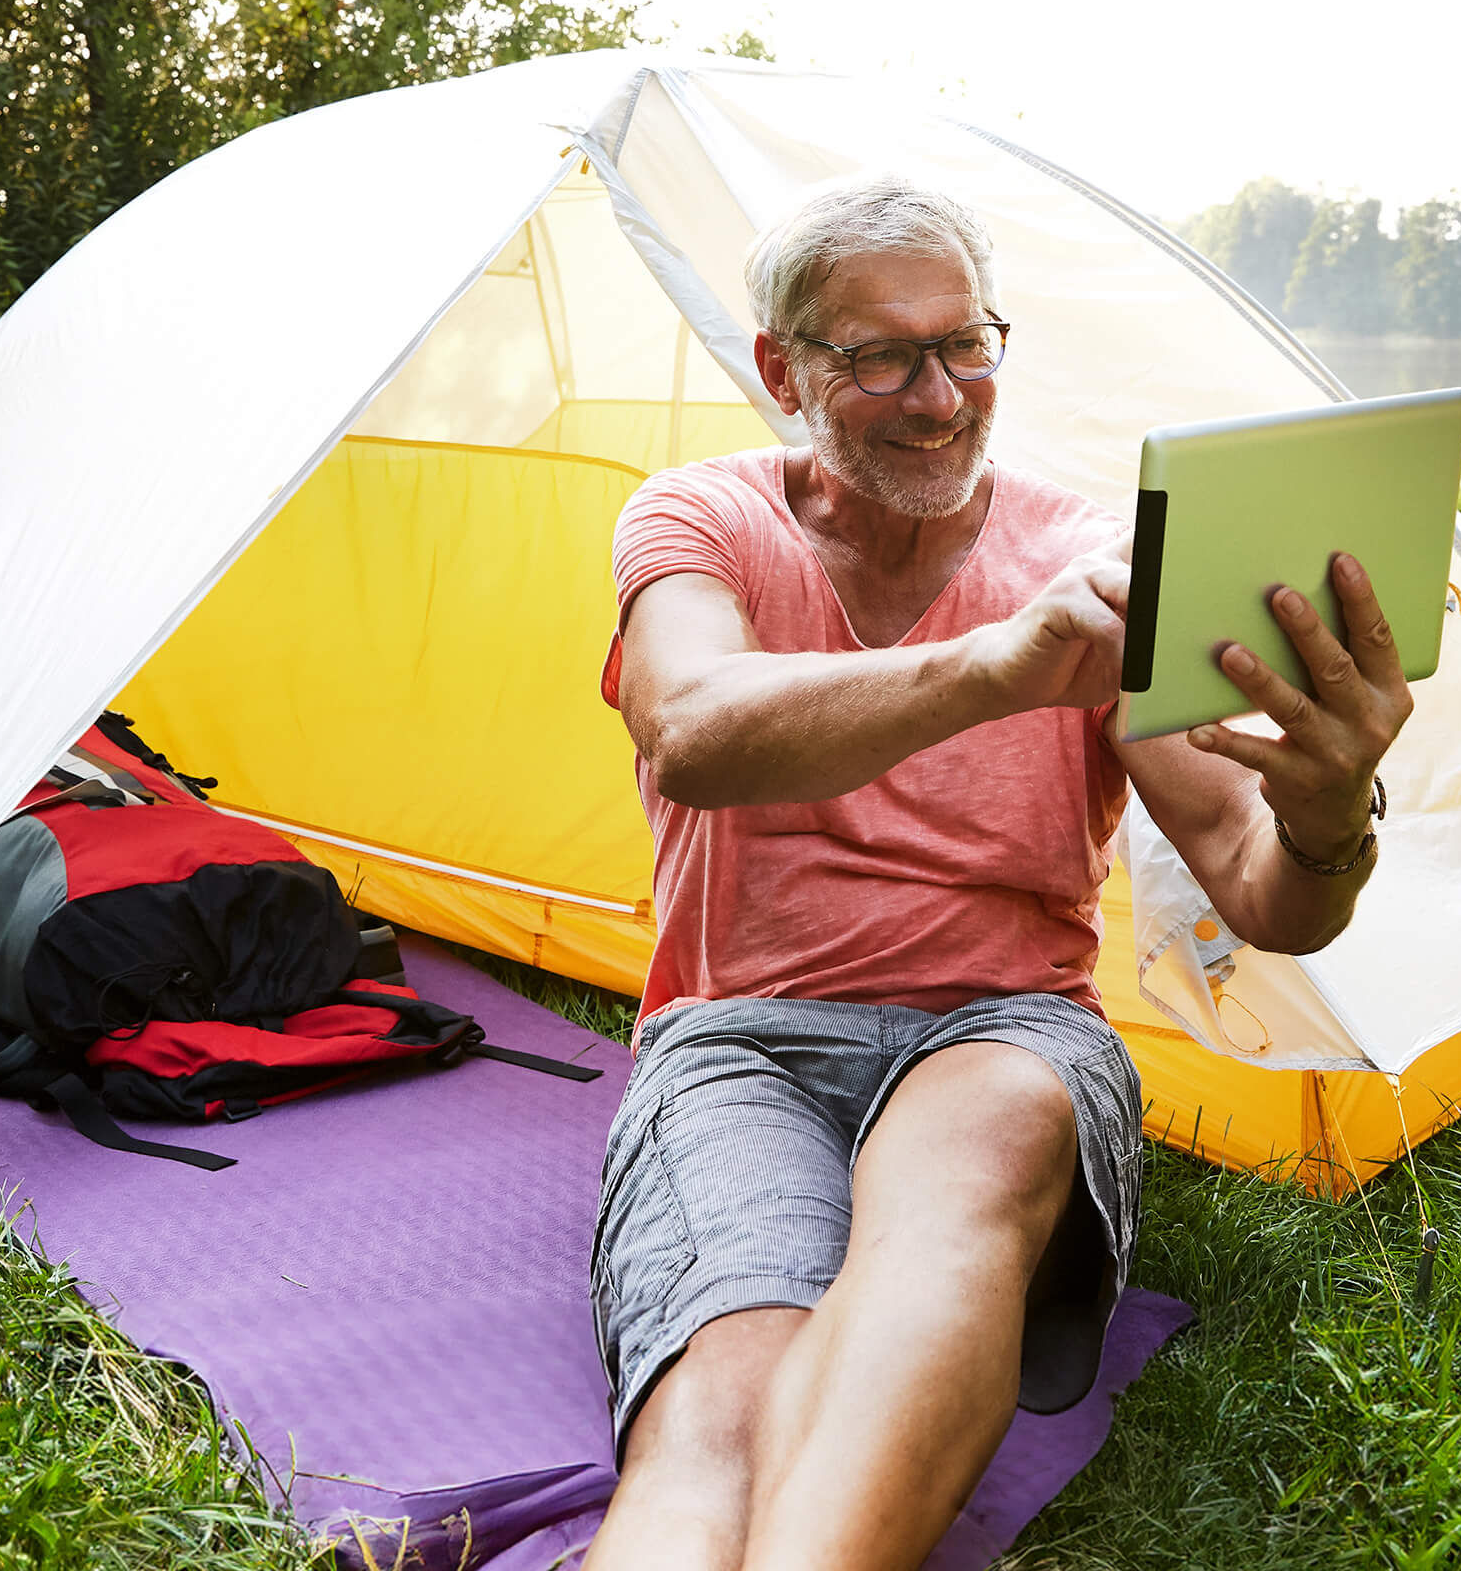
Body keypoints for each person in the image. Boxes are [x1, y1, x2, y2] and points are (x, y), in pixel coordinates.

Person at [585, 176, 1412, 1571]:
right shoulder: (700, 518)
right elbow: (694, 734)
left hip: (1001, 1028)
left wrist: (1329, 814)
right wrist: (999, 666)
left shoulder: (1093, 562)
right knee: (720, 1411)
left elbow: (1265, 892)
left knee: (960, 1184)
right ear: (783, 370)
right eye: (882, 354)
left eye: (967, 344)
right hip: (737, 1043)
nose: (939, 394)